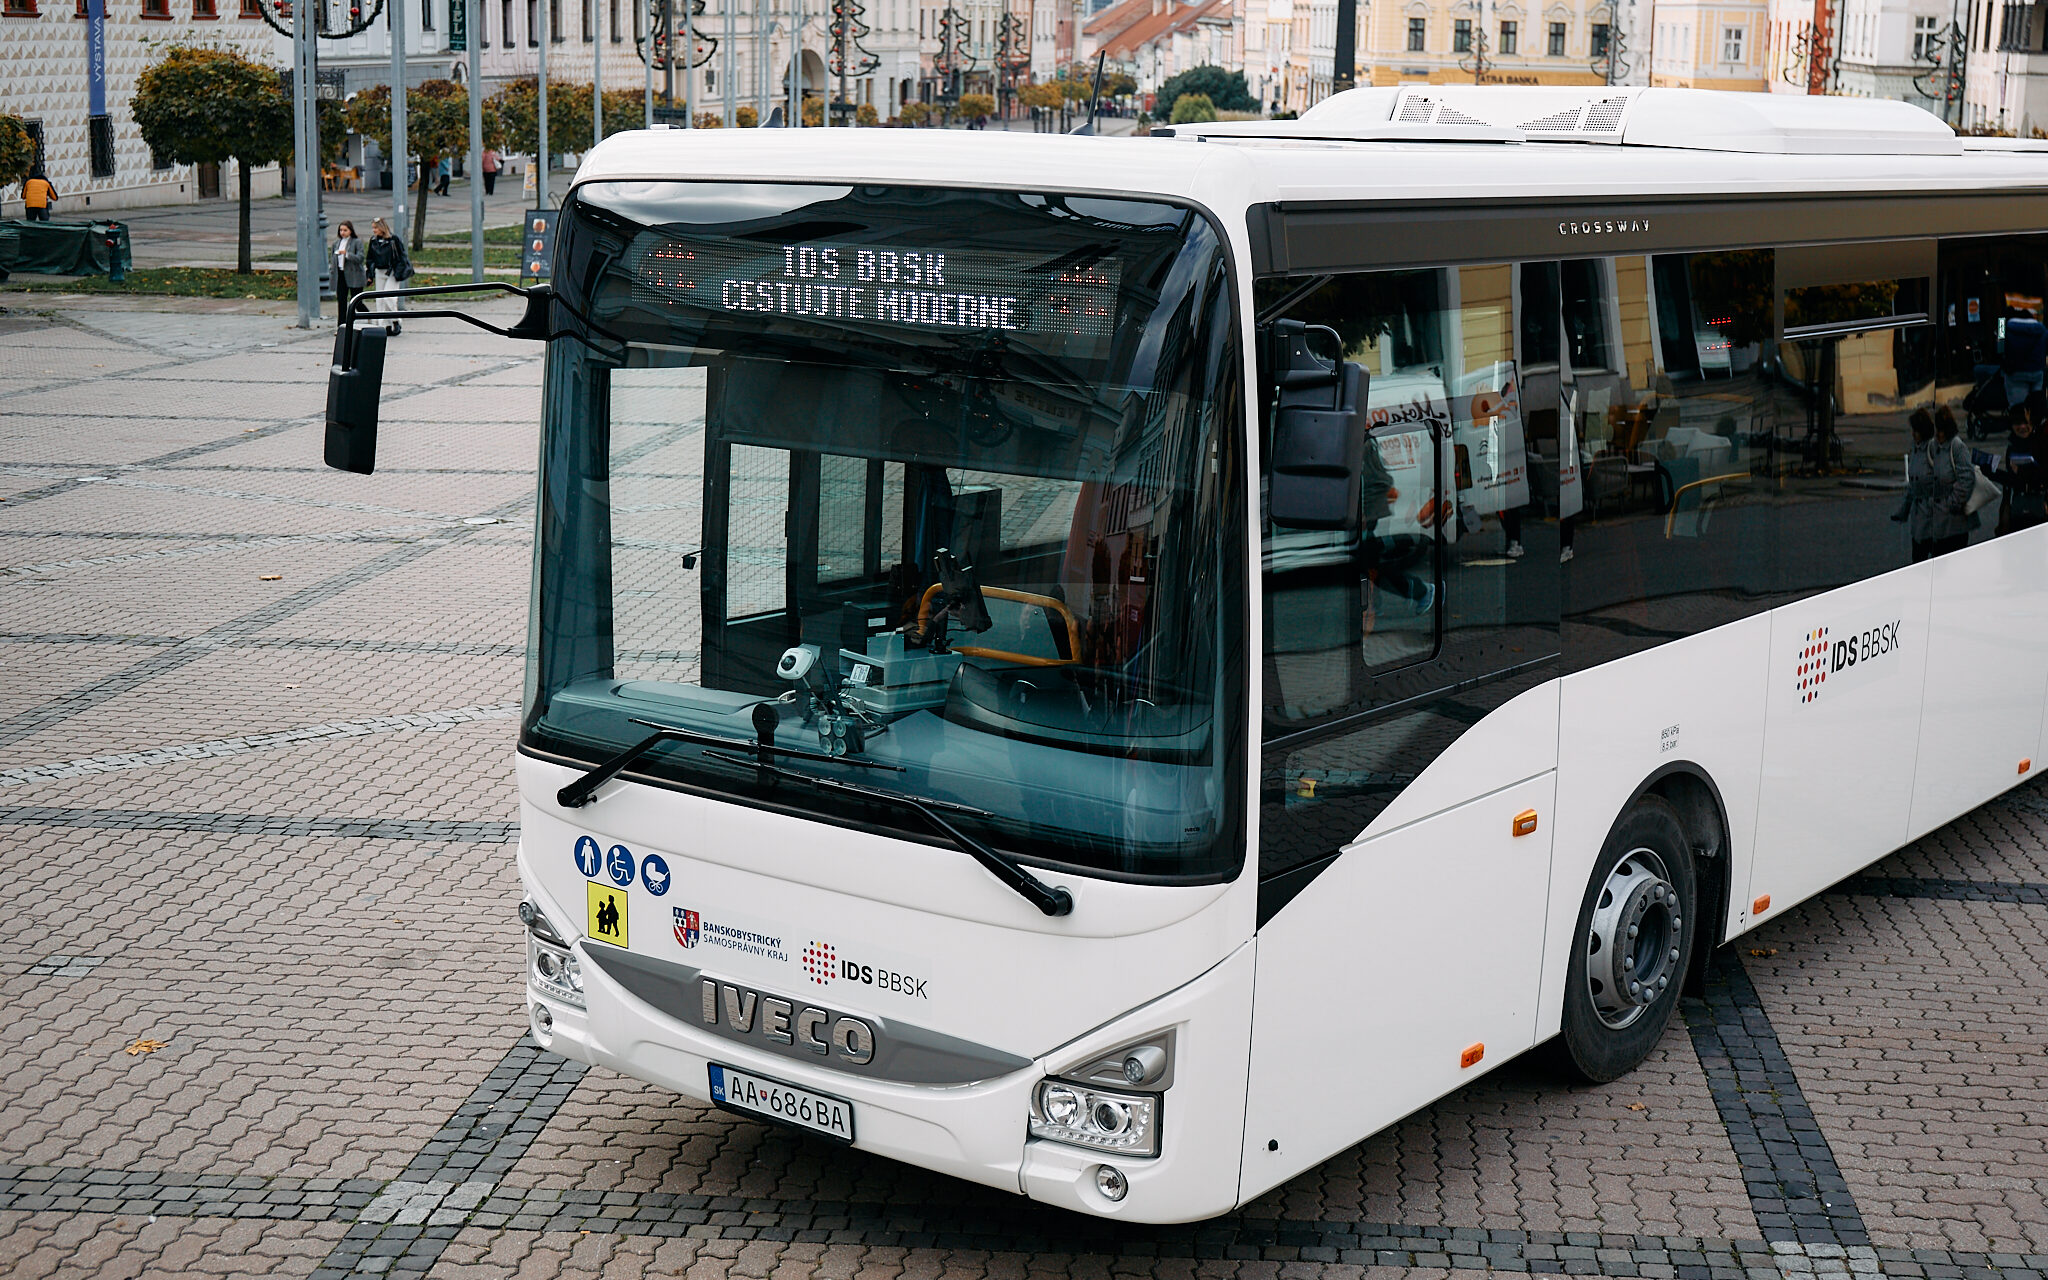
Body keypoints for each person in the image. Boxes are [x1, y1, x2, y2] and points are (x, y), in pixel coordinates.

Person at [1892, 407, 1975, 560]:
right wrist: (1904, 510)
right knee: (1920, 562)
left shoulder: (1953, 446)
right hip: (1923, 522)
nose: (1913, 434)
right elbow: (1914, 485)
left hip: (1948, 523)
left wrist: (1951, 503)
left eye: (1916, 431)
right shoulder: (1918, 448)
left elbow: (1966, 478)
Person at [1997, 397, 2048, 533]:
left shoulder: (2041, 443)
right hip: (2018, 508)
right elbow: (2011, 481)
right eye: (2017, 423)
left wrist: (2021, 472)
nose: (2022, 427)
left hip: (2040, 508)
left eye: (2026, 422)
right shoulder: (2012, 446)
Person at [364, 217, 410, 335]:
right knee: (380, 300)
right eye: (373, 228)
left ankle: (395, 320)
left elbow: (402, 256)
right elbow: (370, 259)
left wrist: (398, 272)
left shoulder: (393, 240)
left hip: (392, 271)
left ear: (382, 227)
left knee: (389, 297)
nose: (374, 230)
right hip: (379, 271)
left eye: (376, 227)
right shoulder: (373, 240)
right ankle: (384, 325)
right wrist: (370, 275)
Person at [2004, 302, 2048, 410]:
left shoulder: (2002, 325)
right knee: (2036, 408)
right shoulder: (2043, 329)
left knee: (2019, 408)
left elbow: (1999, 349)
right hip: (2037, 372)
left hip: (2015, 373)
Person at [332, 221, 366, 323]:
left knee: (356, 301)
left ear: (350, 231)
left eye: (345, 230)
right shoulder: (336, 243)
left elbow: (360, 258)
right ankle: (341, 324)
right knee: (341, 300)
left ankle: (368, 316)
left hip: (354, 274)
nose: (342, 232)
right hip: (341, 273)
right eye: (341, 230)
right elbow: (333, 258)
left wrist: (347, 254)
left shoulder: (356, 242)